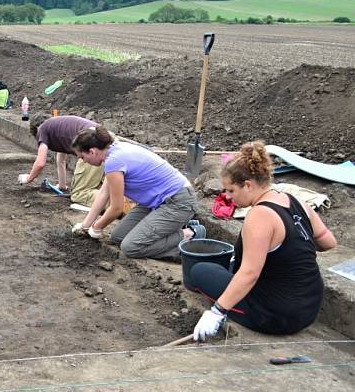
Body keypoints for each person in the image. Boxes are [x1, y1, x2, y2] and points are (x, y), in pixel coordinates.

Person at [191, 141, 336, 341]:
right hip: (310, 306)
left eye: (231, 190)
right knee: (229, 268)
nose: (227, 197)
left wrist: (217, 311)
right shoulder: (296, 201)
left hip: (276, 315)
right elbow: (329, 243)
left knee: (200, 272)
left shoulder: (260, 215)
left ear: (248, 185)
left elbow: (250, 273)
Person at [72, 126, 197, 259]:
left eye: (82, 157)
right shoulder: (115, 151)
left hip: (178, 202)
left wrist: (96, 227)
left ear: (92, 152)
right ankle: (170, 230)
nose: (83, 161)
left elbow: (116, 208)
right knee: (118, 237)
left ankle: (188, 234)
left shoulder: (114, 161)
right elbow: (104, 193)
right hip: (157, 202)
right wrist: (85, 226)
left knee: (131, 247)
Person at [17, 114, 104, 201]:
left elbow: (40, 163)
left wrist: (28, 178)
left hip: (92, 145)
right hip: (105, 138)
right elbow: (61, 160)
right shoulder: (58, 128)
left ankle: (113, 205)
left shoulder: (42, 129)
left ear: (36, 129)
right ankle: (114, 201)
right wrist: (62, 185)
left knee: (79, 194)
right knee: (107, 185)